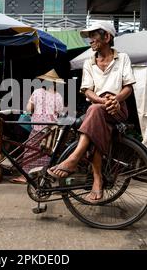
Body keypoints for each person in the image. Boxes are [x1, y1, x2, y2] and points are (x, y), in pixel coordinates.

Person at [47, 21, 136, 203]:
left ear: (107, 37)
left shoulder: (123, 58)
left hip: (117, 108)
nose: (90, 41)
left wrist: (115, 100)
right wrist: (103, 101)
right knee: (95, 112)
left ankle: (74, 158)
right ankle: (97, 179)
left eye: (93, 36)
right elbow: (87, 91)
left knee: (94, 111)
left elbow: (128, 87)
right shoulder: (89, 62)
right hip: (98, 106)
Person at [10, 69, 64, 184]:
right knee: (46, 152)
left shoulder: (37, 92)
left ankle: (26, 176)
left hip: (37, 128)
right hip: (51, 129)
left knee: (30, 150)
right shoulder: (58, 96)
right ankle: (43, 177)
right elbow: (60, 112)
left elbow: (29, 109)